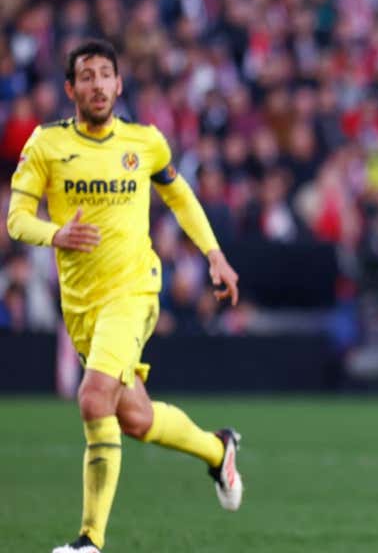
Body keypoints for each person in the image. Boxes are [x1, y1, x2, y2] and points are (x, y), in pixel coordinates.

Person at [6, 39, 244, 553]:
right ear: (71, 89)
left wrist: (214, 254)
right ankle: (216, 448)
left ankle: (90, 541)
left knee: (93, 398)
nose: (97, 84)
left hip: (135, 292)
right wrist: (56, 234)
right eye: (86, 76)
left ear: (118, 84)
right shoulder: (45, 145)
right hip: (83, 306)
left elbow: (179, 193)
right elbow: (17, 219)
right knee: (133, 418)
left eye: (105, 74)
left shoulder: (146, 142)